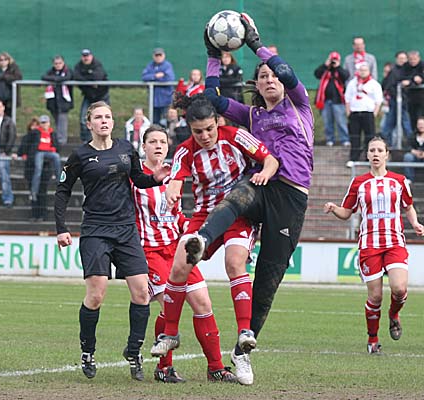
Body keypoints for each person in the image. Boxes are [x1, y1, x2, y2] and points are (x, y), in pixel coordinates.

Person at [153, 14, 314, 375]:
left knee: (269, 278)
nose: (270, 79)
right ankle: (201, 239)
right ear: (256, 84)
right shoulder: (251, 115)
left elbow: (286, 71)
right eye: (263, 76)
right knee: (236, 197)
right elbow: (211, 100)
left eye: (272, 76)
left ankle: (243, 349)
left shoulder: (299, 104)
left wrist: (255, 44)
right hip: (260, 184)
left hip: (291, 196)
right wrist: (213, 56)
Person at [149, 93, 278, 385]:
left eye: (209, 129)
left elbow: (270, 159)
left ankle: (245, 331)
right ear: (190, 129)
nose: (205, 136)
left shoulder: (236, 137)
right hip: (204, 216)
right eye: (198, 131)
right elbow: (176, 179)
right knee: (179, 266)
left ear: (218, 122)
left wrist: (264, 174)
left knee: (235, 263)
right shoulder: (185, 150)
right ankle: (170, 334)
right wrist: (172, 189)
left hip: (238, 214)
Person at [54, 101, 170, 381]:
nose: (104, 121)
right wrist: (61, 228)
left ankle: (134, 351)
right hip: (95, 230)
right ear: (89, 123)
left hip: (126, 230)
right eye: (98, 117)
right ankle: (88, 351)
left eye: (107, 116)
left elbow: (138, 179)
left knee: (142, 293)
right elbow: (62, 190)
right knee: (96, 295)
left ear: (112, 122)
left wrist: (155, 179)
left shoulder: (125, 149)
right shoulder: (80, 155)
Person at [323, 137, 424, 354]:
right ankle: (373, 340)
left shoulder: (399, 181)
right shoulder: (359, 183)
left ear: (387, 154)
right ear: (367, 155)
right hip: (369, 244)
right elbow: (347, 212)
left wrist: (415, 223)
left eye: (379, 150)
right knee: (375, 296)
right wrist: (334, 208)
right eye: (372, 150)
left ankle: (393, 314)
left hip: (394, 242)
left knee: (399, 289)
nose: (376, 154)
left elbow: (408, 207)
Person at [345, 63, 383, 161]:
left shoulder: (374, 84)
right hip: (355, 113)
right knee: (354, 137)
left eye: (365, 70)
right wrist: (348, 112)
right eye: (361, 70)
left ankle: (369, 158)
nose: (363, 72)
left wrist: (374, 113)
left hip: (368, 113)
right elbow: (347, 98)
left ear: (369, 71)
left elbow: (378, 100)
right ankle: (354, 158)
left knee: (369, 137)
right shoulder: (352, 83)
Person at [16, 117, 51, 221]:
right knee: (33, 192)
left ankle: (42, 214)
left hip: (44, 169)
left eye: (37, 126)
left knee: (42, 192)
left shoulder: (46, 136)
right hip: (31, 169)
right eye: (33, 126)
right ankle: (35, 214)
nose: (35, 128)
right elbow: (22, 150)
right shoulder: (28, 138)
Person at [314, 51, 350, 146]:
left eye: (335, 60)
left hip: (338, 101)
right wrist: (325, 65)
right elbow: (317, 74)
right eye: (332, 60)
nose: (333, 62)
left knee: (341, 122)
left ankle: (344, 139)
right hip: (325, 101)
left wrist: (337, 67)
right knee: (327, 122)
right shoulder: (325, 71)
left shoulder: (340, 71)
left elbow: (346, 76)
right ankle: (330, 139)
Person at [73, 49, 109, 142]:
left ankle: (104, 140)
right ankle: (86, 142)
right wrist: (90, 80)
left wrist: (85, 79)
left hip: (101, 96)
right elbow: (76, 76)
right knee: (83, 119)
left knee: (104, 119)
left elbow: (98, 77)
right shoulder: (79, 66)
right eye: (84, 56)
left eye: (87, 56)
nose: (86, 58)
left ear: (91, 56)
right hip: (88, 96)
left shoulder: (97, 64)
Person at [381, 51, 412, 146]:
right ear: (396, 59)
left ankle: (411, 144)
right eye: (400, 58)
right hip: (395, 101)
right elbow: (388, 85)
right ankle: (385, 144)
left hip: (406, 101)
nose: (402, 60)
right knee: (390, 123)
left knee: (405, 122)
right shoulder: (393, 71)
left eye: (404, 58)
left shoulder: (409, 70)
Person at [42, 55, 74, 145]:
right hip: (53, 102)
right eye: (56, 63)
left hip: (64, 102)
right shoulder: (51, 71)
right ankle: (57, 141)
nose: (58, 65)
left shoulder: (68, 71)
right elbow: (43, 77)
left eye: (60, 63)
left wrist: (56, 79)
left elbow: (68, 77)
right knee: (57, 122)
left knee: (62, 122)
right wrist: (56, 79)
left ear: (63, 63)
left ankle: (61, 142)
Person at [29, 115, 61, 202]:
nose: (44, 124)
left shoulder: (52, 133)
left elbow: (57, 145)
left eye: (46, 122)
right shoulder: (35, 132)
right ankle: (34, 191)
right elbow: (29, 143)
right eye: (42, 123)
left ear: (49, 123)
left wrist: (54, 148)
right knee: (38, 170)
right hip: (39, 152)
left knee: (57, 158)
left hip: (50, 152)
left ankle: (59, 183)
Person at [142, 48, 175, 125]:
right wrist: (155, 76)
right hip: (154, 100)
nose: (158, 57)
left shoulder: (167, 65)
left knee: (166, 121)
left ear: (164, 56)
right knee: (154, 121)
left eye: (160, 55)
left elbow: (169, 78)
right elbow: (144, 77)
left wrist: (154, 79)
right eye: (156, 55)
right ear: (153, 56)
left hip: (166, 99)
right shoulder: (150, 65)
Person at [0, 52, 22, 117]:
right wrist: (1, 77)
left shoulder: (14, 67)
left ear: (9, 60)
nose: (3, 61)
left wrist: (3, 77)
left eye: (5, 59)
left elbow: (18, 76)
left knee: (9, 116)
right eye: (1, 60)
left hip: (9, 98)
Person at [400, 50, 424, 132]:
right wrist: (412, 80)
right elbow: (402, 77)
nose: (413, 61)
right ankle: (414, 135)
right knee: (412, 118)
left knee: (420, 117)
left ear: (419, 58)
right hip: (410, 98)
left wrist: (418, 79)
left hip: (421, 98)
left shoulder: (422, 65)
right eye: (411, 59)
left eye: (415, 59)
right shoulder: (405, 66)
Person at [403, 116, 424, 183]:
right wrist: (414, 152)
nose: (421, 126)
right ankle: (409, 179)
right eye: (419, 124)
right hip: (415, 156)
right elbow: (407, 146)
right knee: (407, 157)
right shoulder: (413, 135)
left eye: (422, 124)